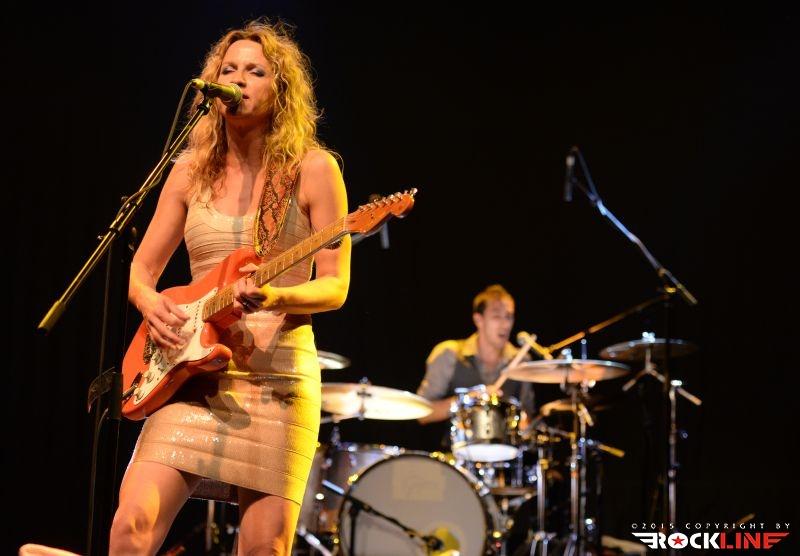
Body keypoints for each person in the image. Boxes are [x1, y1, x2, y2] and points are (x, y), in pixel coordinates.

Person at [109, 20, 350, 555]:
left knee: (264, 548)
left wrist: (275, 296)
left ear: (281, 89)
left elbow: (335, 287)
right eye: (229, 69)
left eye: (255, 71)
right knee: (131, 525)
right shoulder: (188, 171)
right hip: (190, 370)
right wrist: (151, 303)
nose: (238, 79)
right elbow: (141, 270)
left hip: (277, 378)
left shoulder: (314, 169)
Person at [417, 284, 534, 427]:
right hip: (456, 441)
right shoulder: (449, 354)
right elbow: (422, 414)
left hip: (506, 441)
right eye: (496, 316)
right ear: (479, 320)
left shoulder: (521, 360)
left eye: (509, 317)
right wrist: (467, 400)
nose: (505, 325)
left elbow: (528, 419)